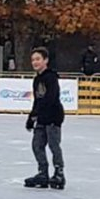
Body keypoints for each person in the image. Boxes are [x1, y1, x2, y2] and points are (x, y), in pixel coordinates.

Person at [24, 47, 65, 190]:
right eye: (33, 60)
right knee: (37, 145)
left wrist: (38, 113)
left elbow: (50, 98)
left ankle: (59, 173)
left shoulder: (51, 77)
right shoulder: (37, 80)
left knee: (54, 145)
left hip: (53, 116)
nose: (35, 62)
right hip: (41, 117)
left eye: (38, 59)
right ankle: (43, 173)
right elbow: (37, 100)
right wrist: (31, 117)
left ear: (45, 60)